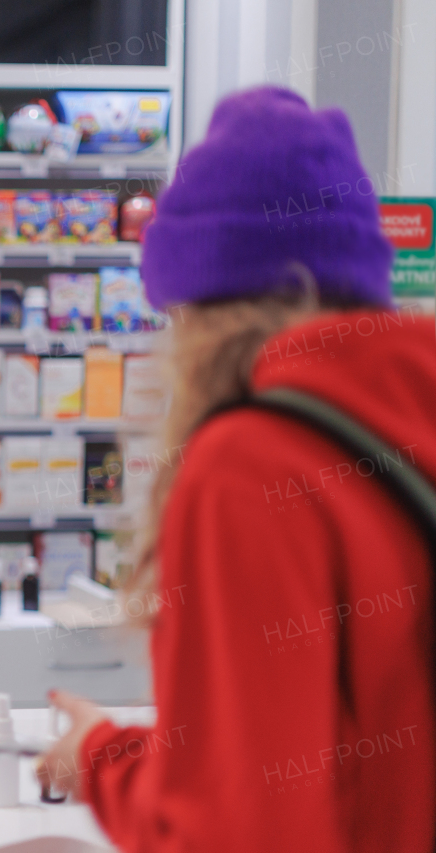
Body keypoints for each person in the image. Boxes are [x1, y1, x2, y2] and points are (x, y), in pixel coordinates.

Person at [36, 86, 435, 849]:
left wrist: (105, 769)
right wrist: (112, 751)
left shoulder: (249, 467)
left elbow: (238, 825)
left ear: (195, 307)